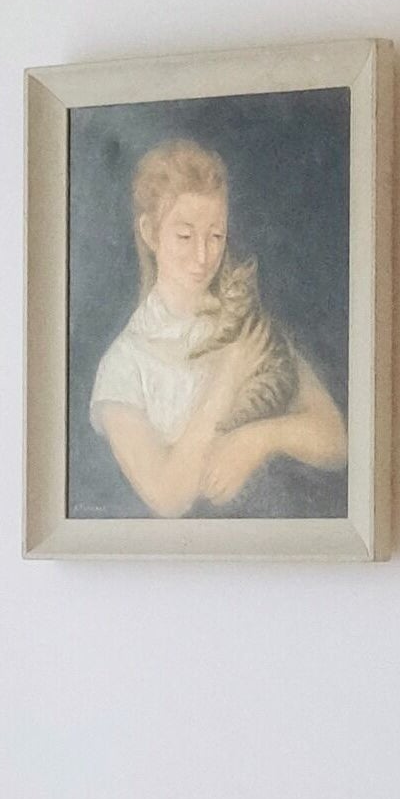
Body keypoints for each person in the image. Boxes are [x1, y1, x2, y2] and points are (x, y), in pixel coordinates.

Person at [88, 138, 345, 516]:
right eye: (185, 236)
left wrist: (256, 440)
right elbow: (168, 498)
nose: (203, 256)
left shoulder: (244, 321)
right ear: (149, 232)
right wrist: (228, 375)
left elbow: (336, 438)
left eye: (216, 236)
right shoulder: (124, 364)